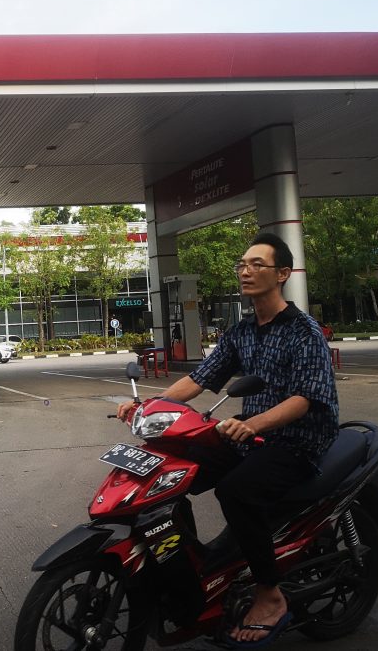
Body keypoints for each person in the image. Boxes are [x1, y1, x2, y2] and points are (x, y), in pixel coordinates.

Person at [117, 232, 338, 647]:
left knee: (236, 491)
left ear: (282, 274)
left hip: (298, 440)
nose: (245, 271)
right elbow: (200, 379)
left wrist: (254, 425)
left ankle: (270, 595)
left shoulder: (303, 331)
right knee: (173, 471)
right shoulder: (242, 331)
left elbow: (305, 399)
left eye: (257, 264)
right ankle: (193, 572)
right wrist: (148, 406)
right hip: (249, 436)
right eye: (242, 264)